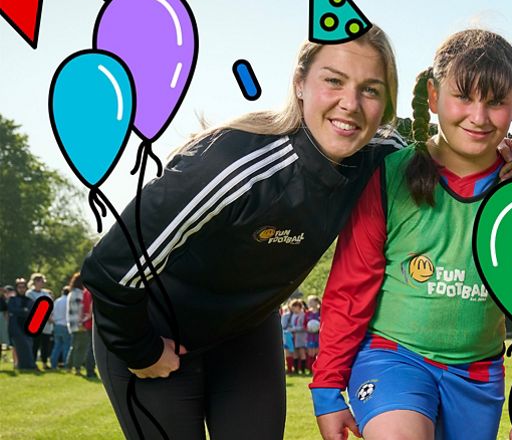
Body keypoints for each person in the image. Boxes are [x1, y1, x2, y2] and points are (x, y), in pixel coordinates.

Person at [81, 25, 407, 439]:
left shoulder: (382, 158)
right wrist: (138, 349)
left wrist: (506, 168)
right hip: (155, 328)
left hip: (245, 333)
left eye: (371, 90)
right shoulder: (235, 162)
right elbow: (112, 267)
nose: (351, 104)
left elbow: (450, 170)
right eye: (334, 81)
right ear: (300, 84)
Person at [311, 29, 512, 440]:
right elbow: (350, 290)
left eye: (496, 102)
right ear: (432, 95)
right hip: (392, 358)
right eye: (463, 96)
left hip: (479, 376)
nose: (478, 117)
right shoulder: (390, 177)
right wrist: (326, 387)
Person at [66, 273, 97, 378]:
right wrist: (82, 321)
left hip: (72, 322)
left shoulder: (71, 292)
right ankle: (77, 368)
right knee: (81, 347)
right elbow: (82, 308)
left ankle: (69, 366)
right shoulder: (80, 293)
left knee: (74, 346)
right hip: (80, 322)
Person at [6, 278, 37, 371]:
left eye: (23, 287)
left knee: (28, 346)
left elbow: (30, 311)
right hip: (16, 327)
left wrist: (22, 311)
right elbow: (12, 310)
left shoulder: (29, 300)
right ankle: (22, 365)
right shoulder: (12, 300)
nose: (21, 289)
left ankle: (29, 365)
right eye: (19, 287)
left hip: (27, 326)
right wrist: (23, 311)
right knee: (20, 347)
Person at [26, 273, 53, 369]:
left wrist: (50, 316)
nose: (42, 283)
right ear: (36, 282)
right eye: (41, 281)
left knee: (45, 344)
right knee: (35, 344)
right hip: (36, 322)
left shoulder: (45, 293)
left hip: (46, 324)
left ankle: (45, 362)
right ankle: (33, 362)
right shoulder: (30, 294)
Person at [282, 298, 309, 374]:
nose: (293, 309)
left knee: (302, 352)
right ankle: (296, 370)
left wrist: (294, 329)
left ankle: (303, 370)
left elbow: (303, 326)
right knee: (295, 353)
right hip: (293, 336)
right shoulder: (293, 315)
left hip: (301, 336)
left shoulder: (303, 315)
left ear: (298, 306)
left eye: (294, 307)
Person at [51, 286, 72, 369]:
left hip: (57, 324)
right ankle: (66, 364)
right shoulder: (68, 301)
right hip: (65, 324)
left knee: (57, 346)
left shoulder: (57, 301)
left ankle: (53, 364)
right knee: (66, 345)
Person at [305, 295, 321, 373]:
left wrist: (320, 328)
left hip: (319, 336)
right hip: (310, 336)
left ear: (316, 302)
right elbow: (304, 324)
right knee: (310, 352)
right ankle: (311, 369)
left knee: (318, 352)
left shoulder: (321, 312)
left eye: (311, 301)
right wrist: (307, 328)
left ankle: (318, 369)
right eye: (309, 302)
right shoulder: (308, 313)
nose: (310, 303)